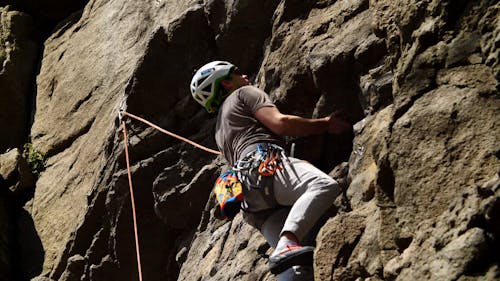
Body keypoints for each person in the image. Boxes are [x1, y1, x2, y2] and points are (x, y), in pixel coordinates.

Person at [190, 61, 351, 279]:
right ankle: (289, 241)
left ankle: (287, 250)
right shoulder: (244, 94)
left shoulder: (219, 128)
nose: (244, 74)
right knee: (322, 185)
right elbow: (281, 123)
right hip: (265, 167)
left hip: (250, 201)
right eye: (236, 72)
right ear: (227, 83)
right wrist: (325, 123)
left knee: (291, 269)